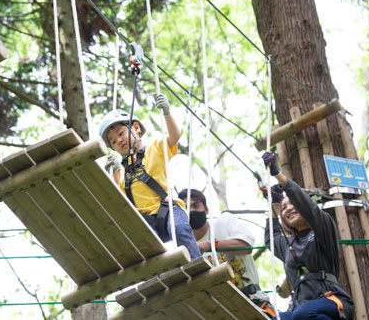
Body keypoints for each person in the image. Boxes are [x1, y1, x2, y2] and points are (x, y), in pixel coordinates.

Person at [99, 94, 201, 260]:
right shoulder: (124, 172)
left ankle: (196, 262)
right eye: (114, 142)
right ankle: (158, 277)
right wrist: (116, 172)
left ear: (136, 128)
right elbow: (122, 198)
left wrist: (167, 113)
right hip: (144, 221)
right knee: (143, 249)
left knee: (180, 229)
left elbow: (174, 136)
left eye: (120, 133)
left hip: (168, 209)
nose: (119, 141)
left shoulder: (155, 149)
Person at [262, 152, 355, 320]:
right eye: (284, 208)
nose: (288, 208)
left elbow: (309, 208)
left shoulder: (322, 229)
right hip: (301, 307)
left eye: (292, 203)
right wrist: (273, 204)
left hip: (330, 299)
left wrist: (278, 176)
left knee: (303, 314)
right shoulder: (289, 244)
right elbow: (271, 239)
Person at [177, 188, 276, 319]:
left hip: (252, 301)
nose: (192, 211)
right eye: (186, 208)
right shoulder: (183, 249)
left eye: (196, 206)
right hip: (218, 311)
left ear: (206, 209)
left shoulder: (224, 222)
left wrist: (211, 245)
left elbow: (246, 245)